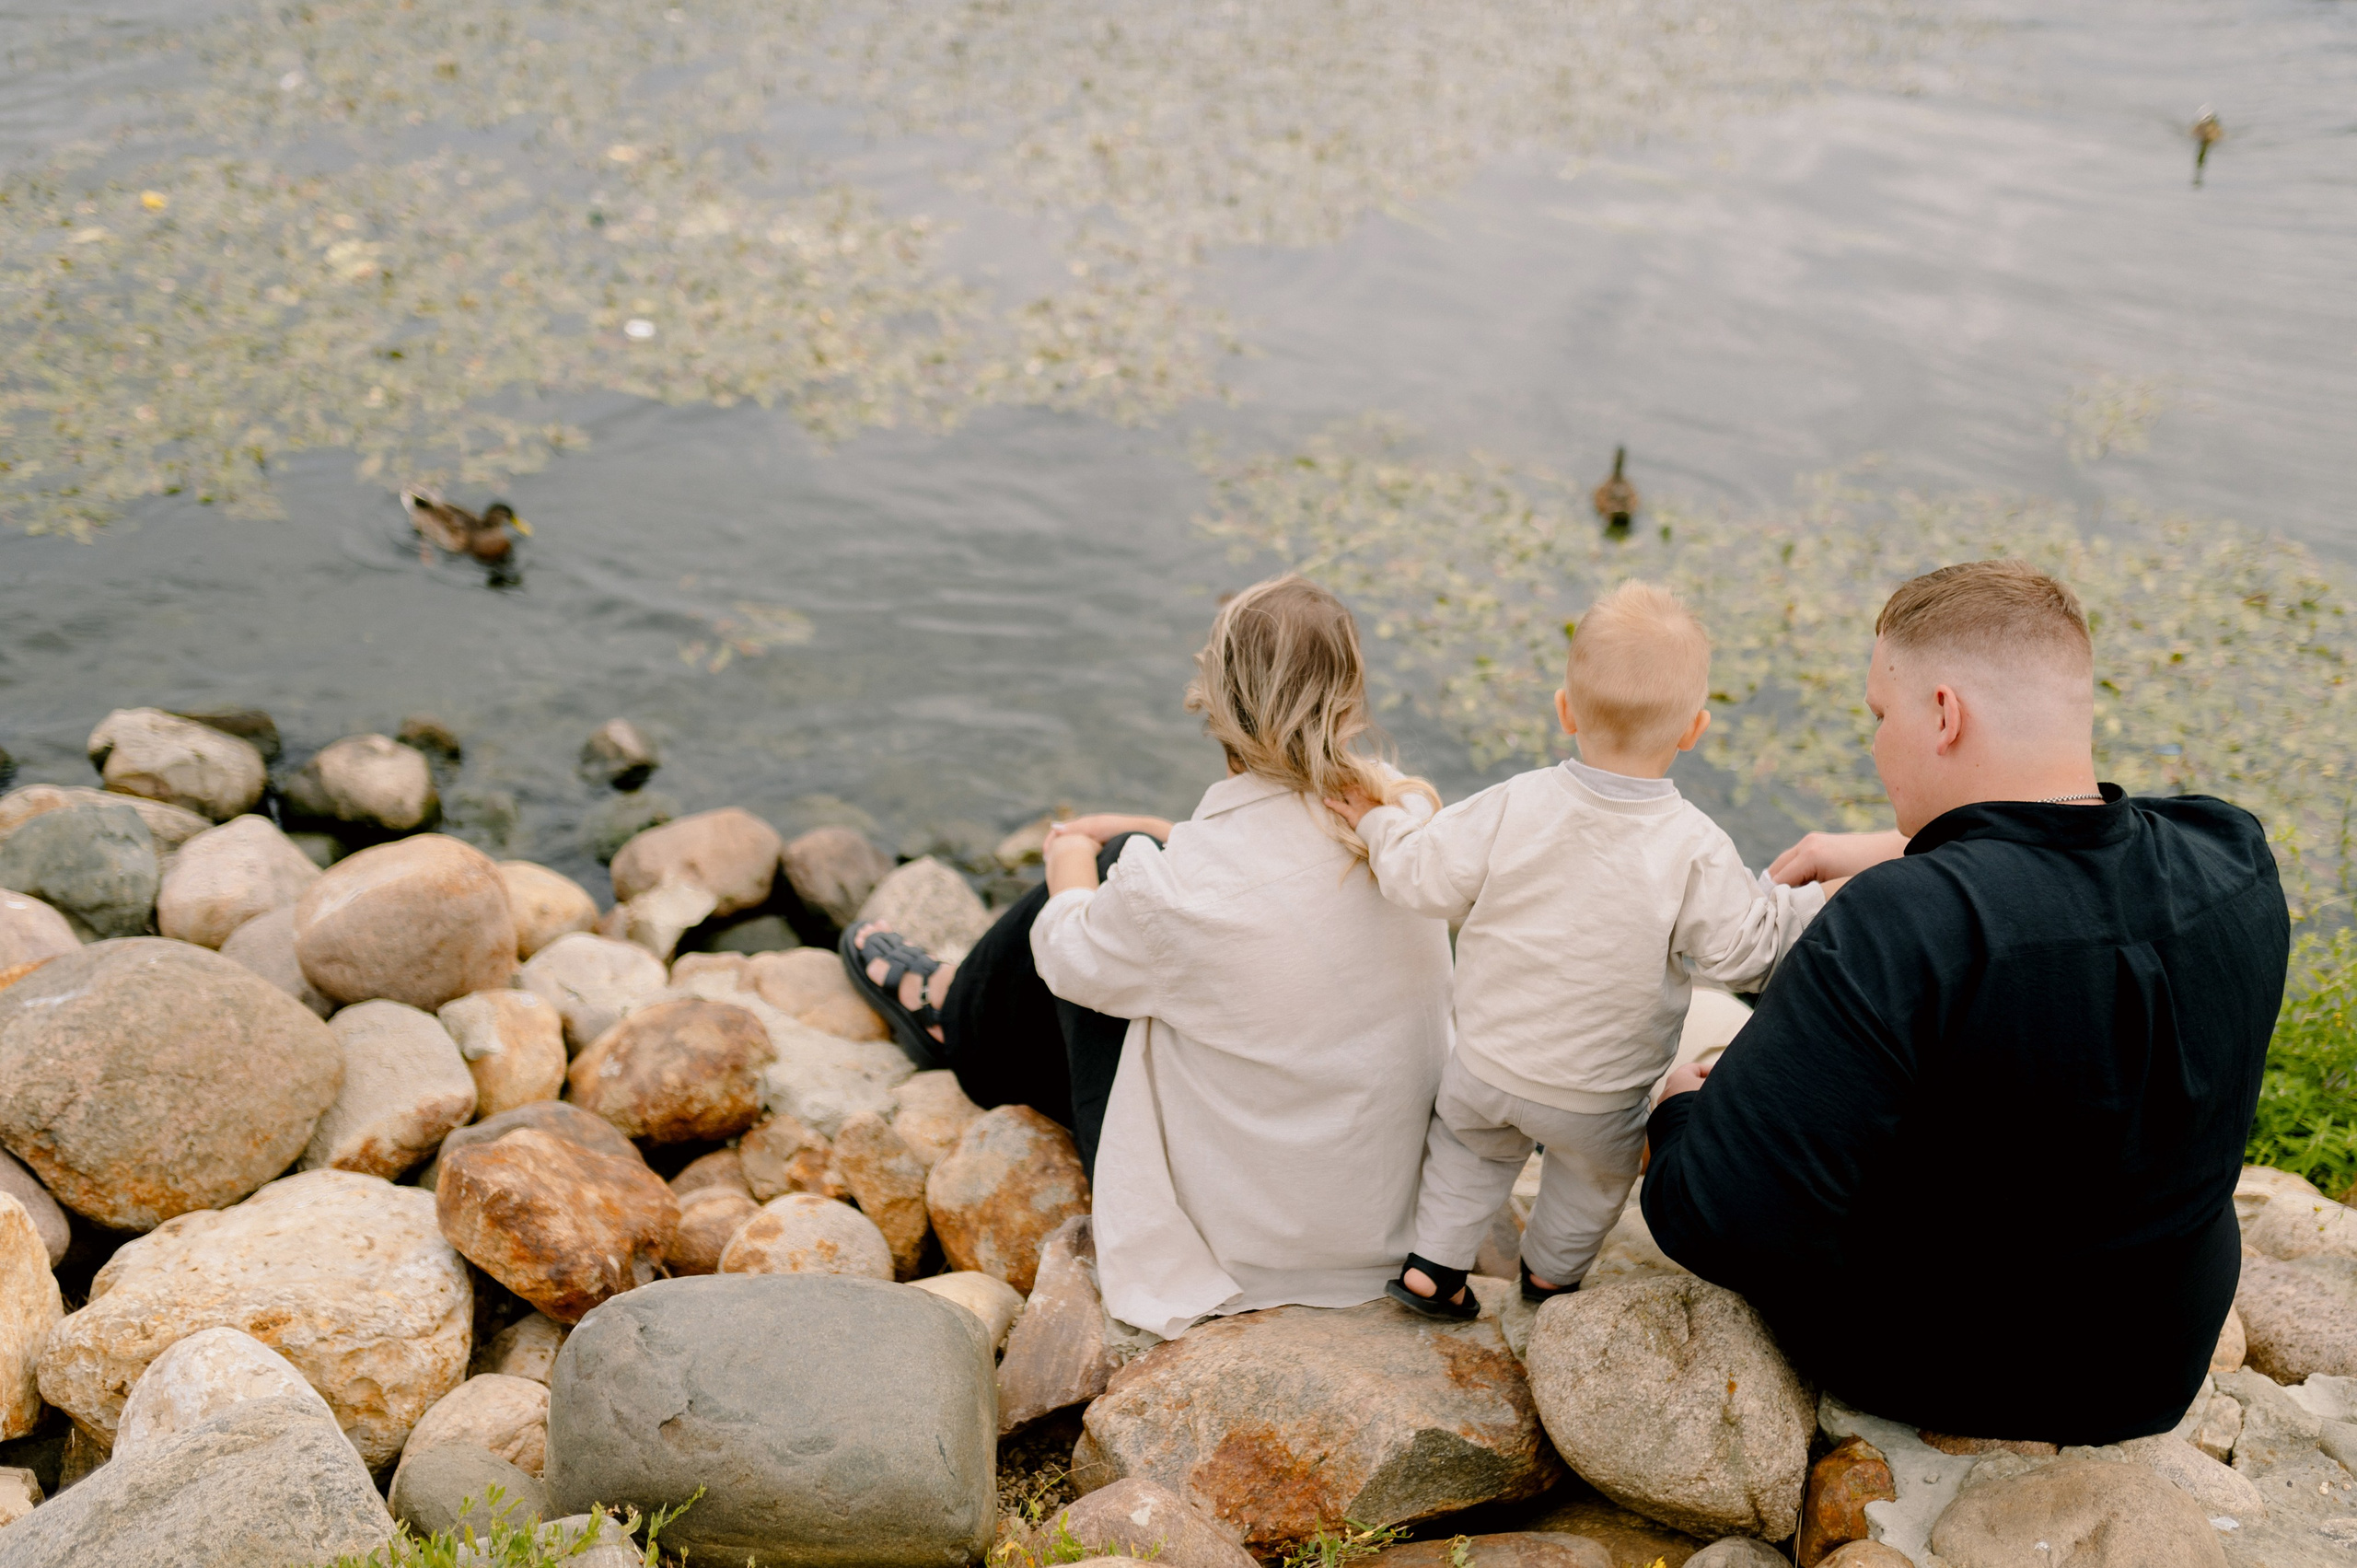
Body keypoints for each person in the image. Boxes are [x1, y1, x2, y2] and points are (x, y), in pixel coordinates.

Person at [1642, 559, 2289, 1446]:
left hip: (1951, 1364)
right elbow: (2078, 846)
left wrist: (1682, 1115)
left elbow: (1716, 1222)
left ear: (1944, 715)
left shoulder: (1905, 928)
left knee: (1706, 1024)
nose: (1875, 743)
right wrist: (1892, 845)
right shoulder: (2232, 855)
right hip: (2157, 1359)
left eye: (1880, 713)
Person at [841, 575, 1457, 1339]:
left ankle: (952, 1015)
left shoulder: (1181, 892)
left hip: (1255, 1247)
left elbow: (1067, 955)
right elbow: (1271, 865)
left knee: (1089, 911)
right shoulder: (1408, 818)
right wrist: (1148, 838)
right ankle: (958, 992)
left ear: (1217, 697)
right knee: (1132, 882)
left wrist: (1070, 858)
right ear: (1351, 693)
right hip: (1397, 1223)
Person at [1327, 580, 1826, 1319]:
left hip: (1487, 1064)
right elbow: (1745, 954)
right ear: (1695, 729)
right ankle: (1551, 1280)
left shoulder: (1512, 804)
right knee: (1591, 1182)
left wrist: (1379, 824)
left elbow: (1419, 873)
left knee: (1469, 1151)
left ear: (1565, 710)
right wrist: (1815, 903)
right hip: (1600, 1094)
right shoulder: (1693, 847)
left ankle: (1435, 1267)